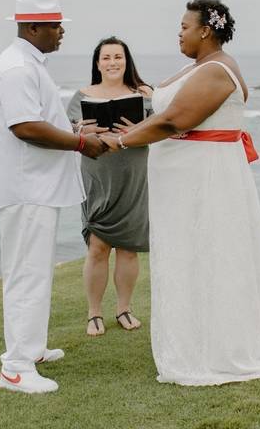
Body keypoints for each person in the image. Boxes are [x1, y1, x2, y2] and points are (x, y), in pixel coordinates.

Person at [101, 0, 260, 386]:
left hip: (205, 179)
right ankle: (199, 333)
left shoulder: (217, 71)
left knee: (211, 254)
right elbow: (164, 104)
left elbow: (175, 119)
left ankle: (220, 345)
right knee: (189, 255)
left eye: (184, 27)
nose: (179, 33)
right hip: (183, 181)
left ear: (206, 30)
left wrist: (120, 143)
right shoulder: (197, 68)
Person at [0, 0, 107, 395]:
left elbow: (41, 119)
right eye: (55, 25)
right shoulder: (18, 68)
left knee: (33, 272)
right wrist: (80, 144)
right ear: (33, 29)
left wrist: (76, 133)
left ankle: (30, 349)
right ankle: (15, 368)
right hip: (26, 188)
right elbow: (27, 128)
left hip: (36, 187)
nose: (62, 31)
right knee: (27, 275)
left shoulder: (28, 63)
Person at [66, 37, 152, 336]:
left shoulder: (143, 95)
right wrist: (81, 131)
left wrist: (137, 131)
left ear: (126, 61)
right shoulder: (81, 96)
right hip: (97, 176)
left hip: (134, 177)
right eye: (106, 57)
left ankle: (124, 308)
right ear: (97, 63)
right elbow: (68, 133)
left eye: (118, 56)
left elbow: (163, 129)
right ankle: (94, 313)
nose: (113, 62)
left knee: (129, 249)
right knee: (97, 247)